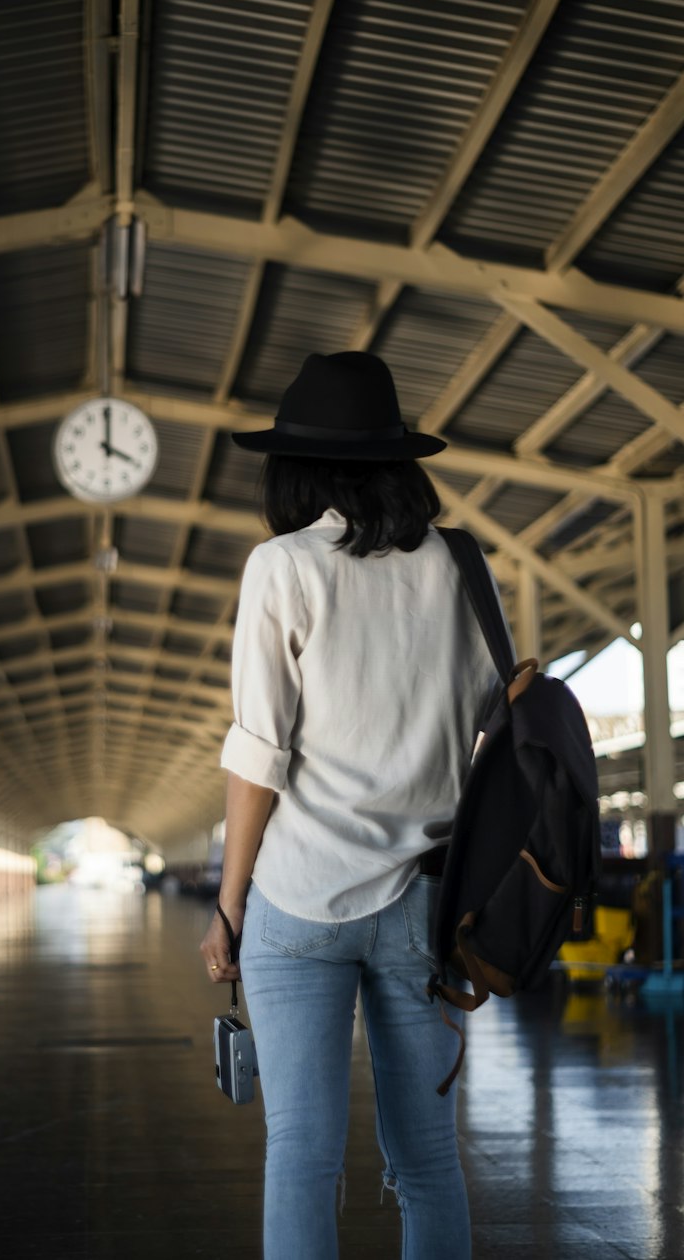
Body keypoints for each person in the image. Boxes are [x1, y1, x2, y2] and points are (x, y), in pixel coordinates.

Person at [199, 351, 501, 1260]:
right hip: (425, 899)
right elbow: (496, 722)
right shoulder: (461, 566)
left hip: (298, 898)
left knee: (301, 1153)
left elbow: (260, 754)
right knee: (427, 1165)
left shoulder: (283, 566)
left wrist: (229, 903)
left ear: (294, 468)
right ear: (398, 460)